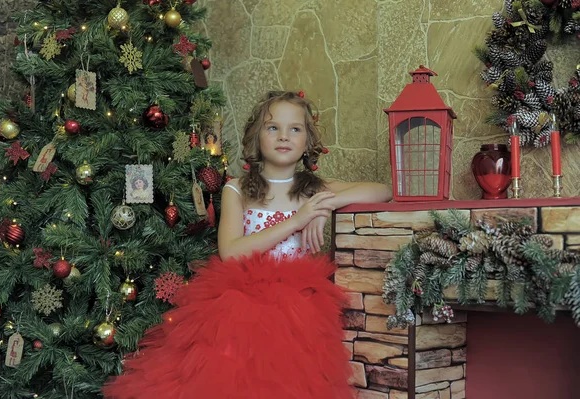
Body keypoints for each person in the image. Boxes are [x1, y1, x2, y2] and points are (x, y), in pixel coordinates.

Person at [103, 91, 392, 399]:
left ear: (308, 142)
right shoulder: (236, 189)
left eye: (295, 129)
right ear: (257, 137)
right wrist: (297, 220)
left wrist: (322, 206)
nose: (284, 136)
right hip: (240, 306)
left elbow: (382, 190)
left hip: (299, 310)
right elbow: (230, 253)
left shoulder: (312, 190)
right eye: (273, 128)